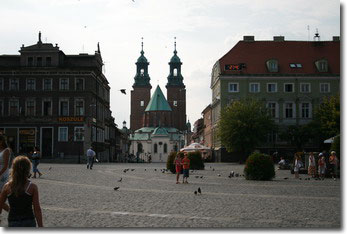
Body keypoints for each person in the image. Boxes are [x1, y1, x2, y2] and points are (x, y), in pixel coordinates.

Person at [0, 156, 43, 227]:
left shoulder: (7, 186)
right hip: (29, 221)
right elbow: (37, 209)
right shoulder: (32, 187)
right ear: (28, 169)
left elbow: (0, 204)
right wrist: (41, 226)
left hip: (13, 221)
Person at [0, 136, 10, 212]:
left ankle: (11, 211)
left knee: (1, 198)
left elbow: (6, 165)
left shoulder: (6, 150)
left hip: (2, 174)